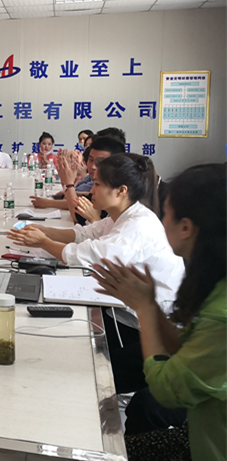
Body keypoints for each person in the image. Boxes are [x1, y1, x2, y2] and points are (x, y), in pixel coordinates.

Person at [8, 154, 185, 393]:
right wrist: (43, 230)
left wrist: (43, 242)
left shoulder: (137, 226)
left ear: (121, 191)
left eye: (98, 184)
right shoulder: (124, 215)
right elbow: (84, 235)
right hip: (129, 310)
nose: (91, 190)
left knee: (71, 345)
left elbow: (87, 256)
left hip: (145, 327)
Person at [92, 163, 225, 461]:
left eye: (166, 213)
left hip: (208, 443)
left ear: (186, 227)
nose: (160, 221)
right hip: (204, 421)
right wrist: (148, 302)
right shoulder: (211, 277)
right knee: (100, 369)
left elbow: (169, 390)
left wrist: (145, 307)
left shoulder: (221, 313)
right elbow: (183, 345)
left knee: (144, 414)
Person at [31, 136, 125, 220]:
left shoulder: (112, 191)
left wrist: (68, 184)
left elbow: (78, 215)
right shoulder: (98, 182)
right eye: (91, 160)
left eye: (100, 162)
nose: (93, 166)